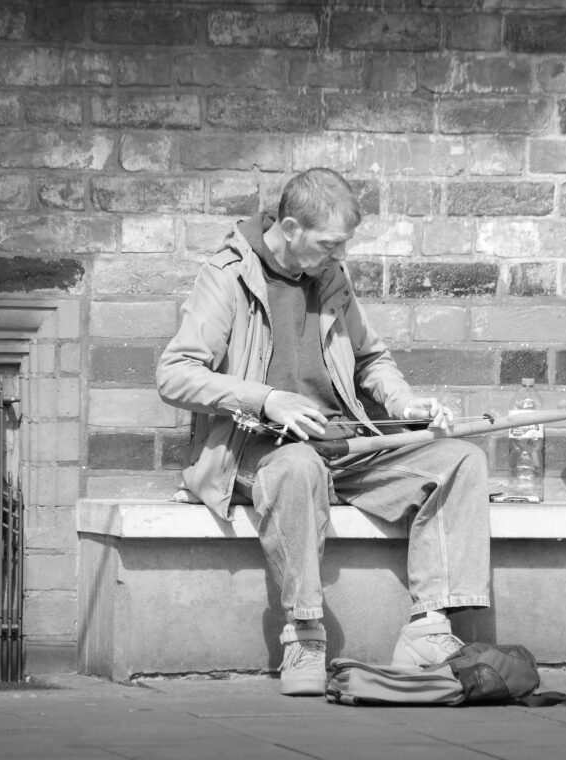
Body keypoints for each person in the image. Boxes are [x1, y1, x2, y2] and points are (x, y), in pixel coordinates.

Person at [156, 168, 491, 696]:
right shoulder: (227, 276)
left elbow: (371, 357)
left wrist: (404, 402)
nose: (340, 256)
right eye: (330, 244)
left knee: (459, 459)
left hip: (342, 444)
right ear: (290, 228)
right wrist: (267, 398)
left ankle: (429, 628)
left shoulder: (331, 276)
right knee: (297, 465)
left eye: (344, 245)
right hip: (259, 449)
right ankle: (304, 634)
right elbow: (174, 374)